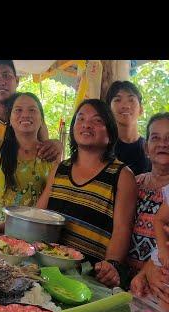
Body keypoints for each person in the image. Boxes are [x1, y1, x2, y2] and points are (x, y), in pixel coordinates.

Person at [37, 99, 137, 288]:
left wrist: (110, 265)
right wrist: (5, 226)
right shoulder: (60, 169)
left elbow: (122, 230)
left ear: (110, 132)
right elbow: (39, 216)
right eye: (80, 119)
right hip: (46, 271)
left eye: (97, 120)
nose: (86, 124)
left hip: (88, 279)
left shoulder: (122, 175)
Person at [0, 92, 53, 234]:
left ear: (41, 119)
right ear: (10, 118)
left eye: (32, 110)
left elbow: (42, 208)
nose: (25, 115)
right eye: (18, 110)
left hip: (28, 238)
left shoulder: (50, 157)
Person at [128, 113, 169, 272]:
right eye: (155, 138)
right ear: (146, 148)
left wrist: (148, 273)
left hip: (159, 281)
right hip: (119, 277)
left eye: (168, 138)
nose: (163, 144)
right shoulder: (133, 183)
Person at [106, 80, 150, 176]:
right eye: (117, 100)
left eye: (131, 100)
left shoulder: (150, 148)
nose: (125, 106)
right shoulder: (102, 147)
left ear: (141, 109)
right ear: (109, 110)